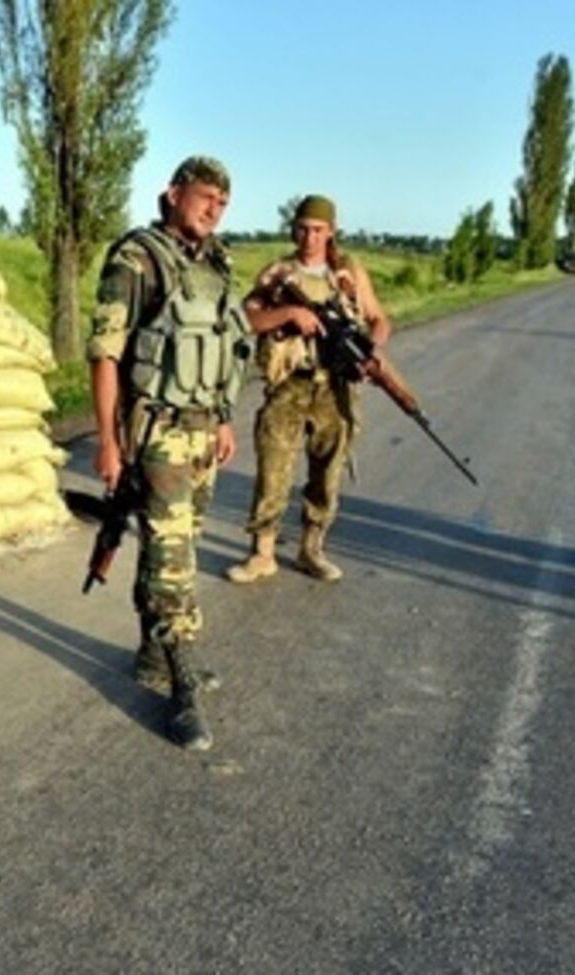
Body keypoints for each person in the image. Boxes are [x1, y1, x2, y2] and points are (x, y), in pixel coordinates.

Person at [86, 156, 251, 751]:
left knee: (171, 547)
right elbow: (105, 353)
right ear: (173, 194)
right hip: (156, 431)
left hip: (205, 430)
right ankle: (182, 688)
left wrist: (225, 419)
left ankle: (154, 655)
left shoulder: (217, 261)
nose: (213, 209)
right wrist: (108, 442)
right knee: (174, 561)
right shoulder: (136, 259)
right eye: (205, 196)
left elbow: (226, 347)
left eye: (223, 203)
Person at [226, 195, 391, 585]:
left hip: (335, 389)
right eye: (302, 228)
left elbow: (378, 318)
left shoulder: (348, 274)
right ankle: (262, 554)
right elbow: (245, 319)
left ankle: (311, 550)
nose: (309, 237)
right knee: (273, 471)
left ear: (331, 232)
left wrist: (372, 352)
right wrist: (287, 314)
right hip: (289, 385)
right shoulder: (277, 273)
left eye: (318, 229)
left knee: (327, 474)